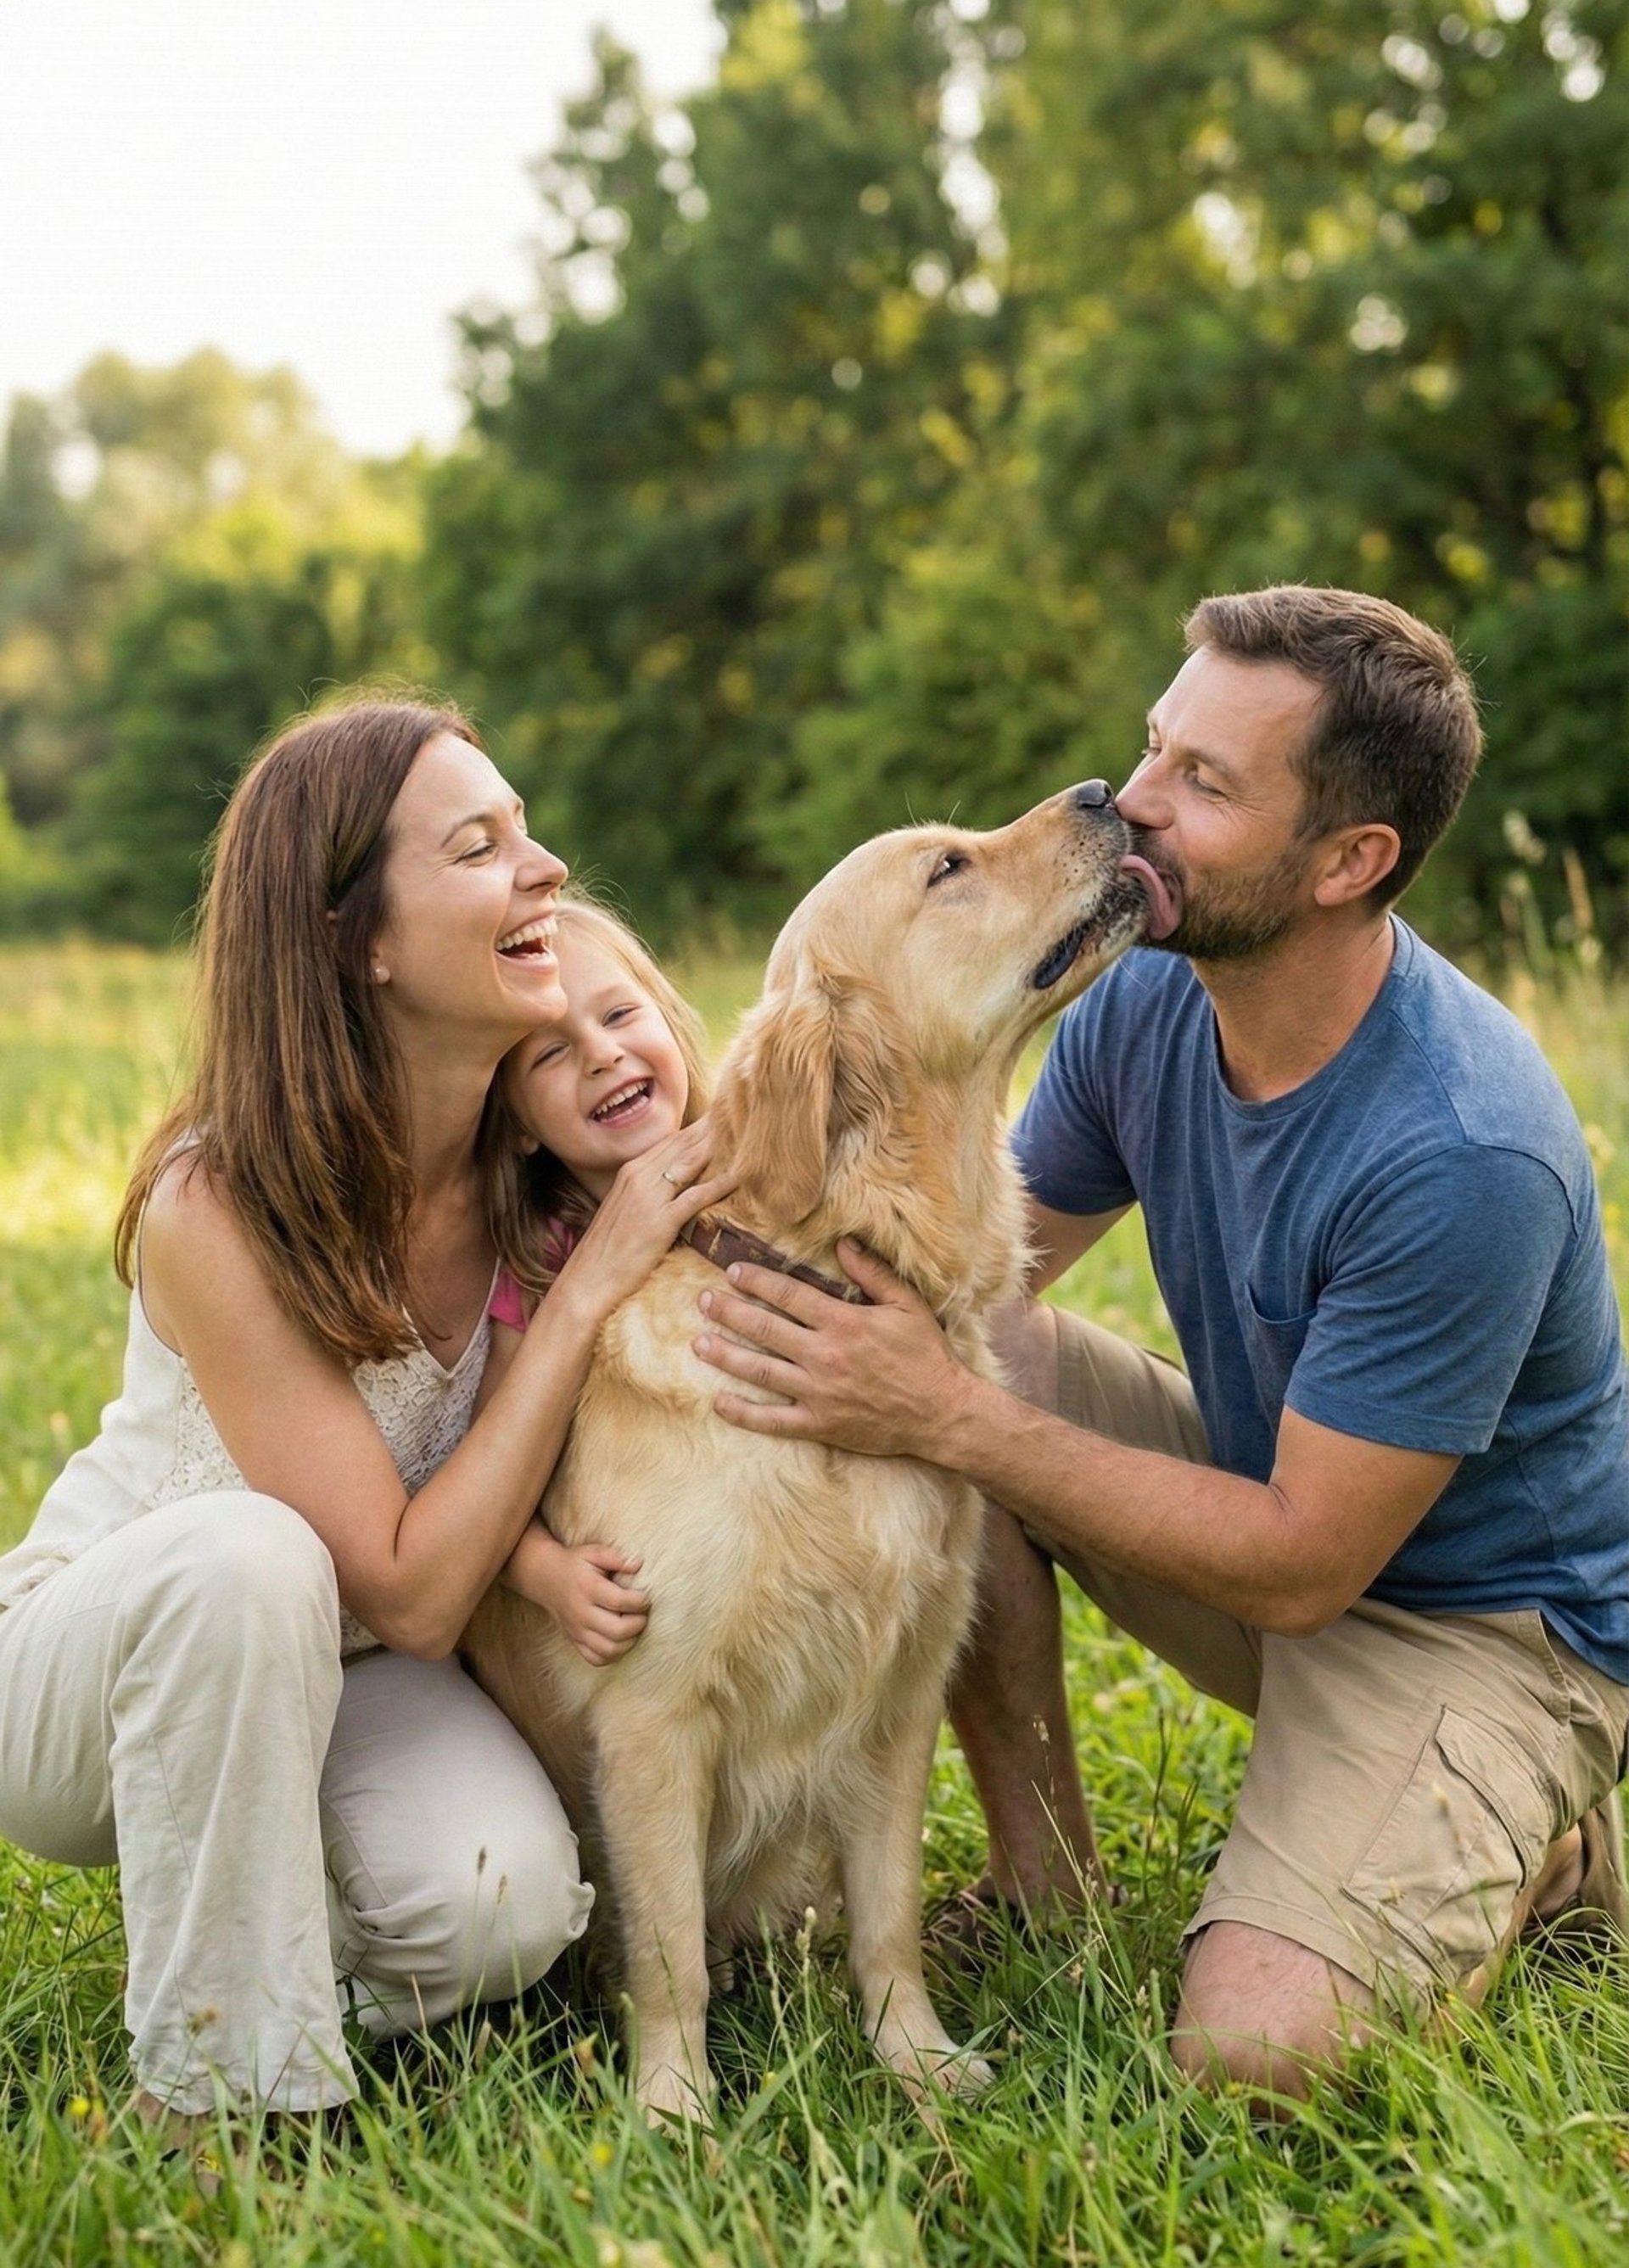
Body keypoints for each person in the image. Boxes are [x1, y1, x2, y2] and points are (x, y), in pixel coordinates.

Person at [691, 585, 1629, 2097]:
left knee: (1255, 2052)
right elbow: (958, 1289)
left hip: (1481, 1625)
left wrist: (950, 1415)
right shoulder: (1145, 998)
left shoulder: (1465, 1148)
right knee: (975, 1358)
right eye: (1155, 745)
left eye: (1206, 782)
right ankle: (1044, 1882)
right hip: (1278, 1511)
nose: (1135, 802)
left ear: (1349, 860)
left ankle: (1536, 1832)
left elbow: (1306, 1566)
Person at [0, 698, 731, 2129]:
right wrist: (588, 1296)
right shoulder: (220, 1201)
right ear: (361, 942)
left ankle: (242, 1935)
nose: (546, 869)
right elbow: (410, 1590)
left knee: (504, 1908)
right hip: (103, 1665)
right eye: (480, 847)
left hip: (345, 1670)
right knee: (253, 1555)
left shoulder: (531, 1178)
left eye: (527, 831)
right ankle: (218, 2101)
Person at [476, 896, 711, 1666]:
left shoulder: (758, 1181)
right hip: (655, 1602)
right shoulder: (543, 1263)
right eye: (550, 1053)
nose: (602, 1054)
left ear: (669, 1021)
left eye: (620, 1015)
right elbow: (488, 1467)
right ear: (518, 1124)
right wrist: (546, 1574)